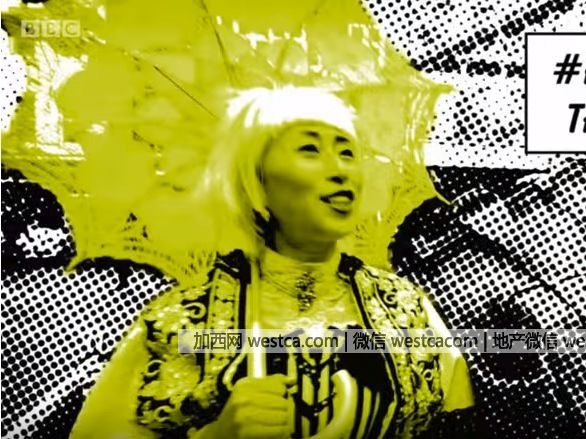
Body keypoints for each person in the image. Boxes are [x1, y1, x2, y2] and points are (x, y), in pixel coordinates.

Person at [70, 86, 474, 438]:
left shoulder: (406, 309)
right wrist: (217, 436)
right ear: (257, 183)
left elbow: (461, 424)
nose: (340, 171)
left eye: (347, 151)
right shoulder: (184, 318)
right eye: (310, 149)